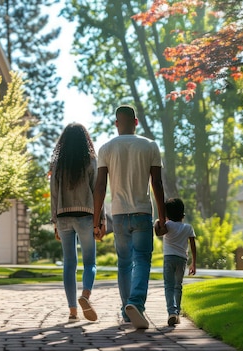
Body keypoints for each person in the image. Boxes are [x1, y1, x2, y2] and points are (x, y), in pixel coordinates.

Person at [92, 105, 166, 329]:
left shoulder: (106, 148)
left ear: (116, 123)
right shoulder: (150, 146)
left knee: (124, 263)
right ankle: (135, 304)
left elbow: (99, 187)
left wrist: (96, 221)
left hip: (119, 215)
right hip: (142, 212)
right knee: (142, 259)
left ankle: (127, 311)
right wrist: (163, 219)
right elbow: (157, 184)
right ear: (136, 122)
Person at [50, 122, 102, 322]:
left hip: (63, 216)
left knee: (69, 264)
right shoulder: (90, 160)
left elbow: (54, 194)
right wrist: (100, 220)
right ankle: (85, 296)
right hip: (86, 215)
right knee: (90, 262)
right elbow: (97, 191)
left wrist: (54, 221)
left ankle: (73, 311)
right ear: (84, 140)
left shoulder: (57, 164)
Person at [155, 197, 196, 326]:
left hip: (169, 258)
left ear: (166, 214)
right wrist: (194, 262)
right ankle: (177, 312)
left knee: (169, 286)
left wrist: (158, 221)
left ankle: (171, 312)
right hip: (182, 260)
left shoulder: (167, 226)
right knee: (178, 286)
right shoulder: (188, 228)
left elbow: (157, 232)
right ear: (182, 214)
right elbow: (193, 246)